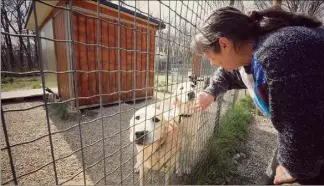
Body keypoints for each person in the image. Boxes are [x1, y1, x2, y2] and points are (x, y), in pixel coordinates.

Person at [191, 5, 324, 185]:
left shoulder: (278, 56)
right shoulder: (253, 52)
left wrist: (294, 166)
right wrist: (210, 92)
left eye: (209, 55)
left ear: (224, 43)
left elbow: (303, 124)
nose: (212, 63)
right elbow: (230, 74)